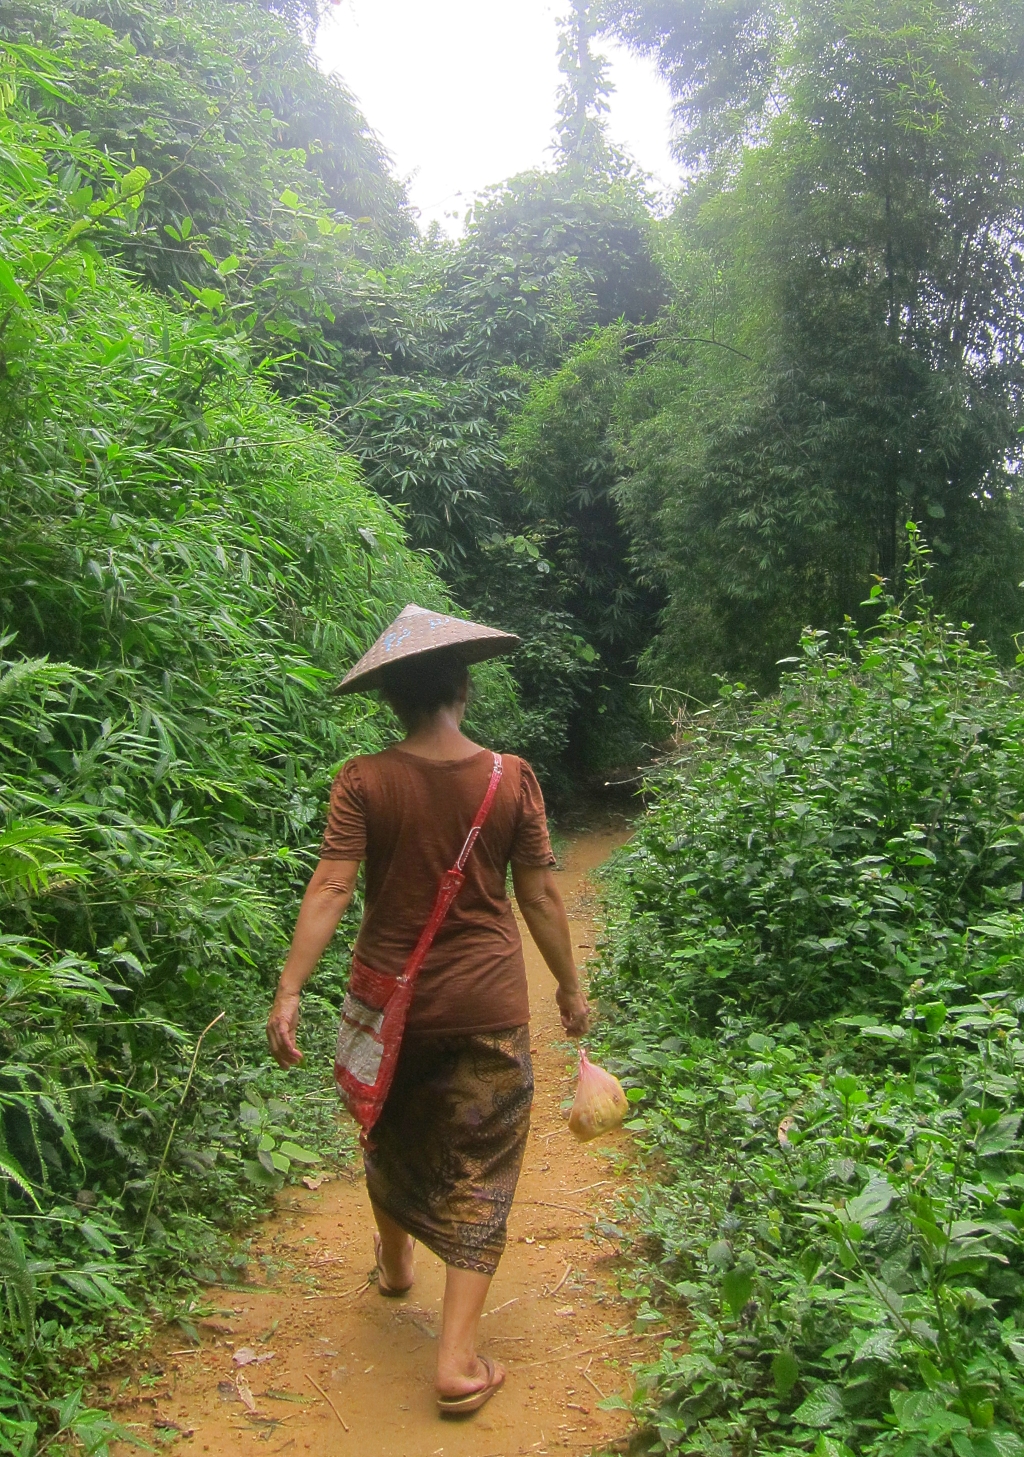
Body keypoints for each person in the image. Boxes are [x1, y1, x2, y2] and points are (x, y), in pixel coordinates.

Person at [265, 604, 590, 1418]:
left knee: (390, 1126)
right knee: (482, 1165)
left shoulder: (364, 780)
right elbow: (542, 894)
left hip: (388, 1005)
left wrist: (290, 988)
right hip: (487, 1001)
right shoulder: (512, 778)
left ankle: (395, 1260)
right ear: (464, 688)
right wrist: (570, 988)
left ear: (392, 700)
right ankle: (454, 1359)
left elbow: (333, 887)